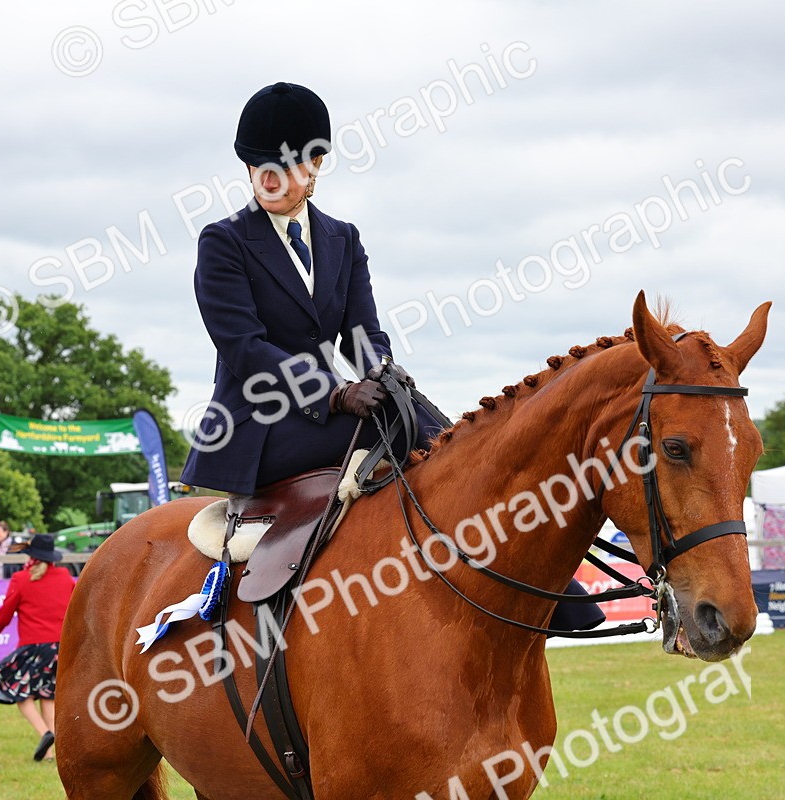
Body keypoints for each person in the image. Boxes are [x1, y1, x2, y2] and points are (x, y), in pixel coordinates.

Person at [180, 82, 603, 632]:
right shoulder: (223, 242)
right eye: (258, 167)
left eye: (283, 168)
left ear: (316, 164)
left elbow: (361, 336)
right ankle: (560, 594)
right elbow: (245, 348)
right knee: (408, 431)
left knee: (427, 425)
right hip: (256, 423)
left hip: (328, 413)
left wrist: (381, 374)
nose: (268, 181)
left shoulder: (343, 239)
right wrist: (333, 392)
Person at [0, 534, 74, 762]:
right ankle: (52, 752)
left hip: (33, 647)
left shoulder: (21, 579)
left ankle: (45, 733)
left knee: (18, 691)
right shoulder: (65, 577)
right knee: (47, 696)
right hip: (60, 647)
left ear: (31, 556)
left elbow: (4, 614)